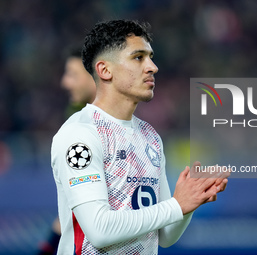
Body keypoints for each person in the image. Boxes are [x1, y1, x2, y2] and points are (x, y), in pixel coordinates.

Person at [51, 19, 230, 255]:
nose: (152, 67)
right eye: (138, 57)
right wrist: (176, 205)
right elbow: (99, 230)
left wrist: (189, 203)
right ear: (105, 70)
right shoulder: (80, 134)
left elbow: (165, 236)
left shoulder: (150, 137)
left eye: (151, 57)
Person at [38, 47, 96, 255]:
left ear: (96, 74)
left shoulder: (102, 129)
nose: (65, 82)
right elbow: (75, 205)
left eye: (73, 75)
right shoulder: (77, 119)